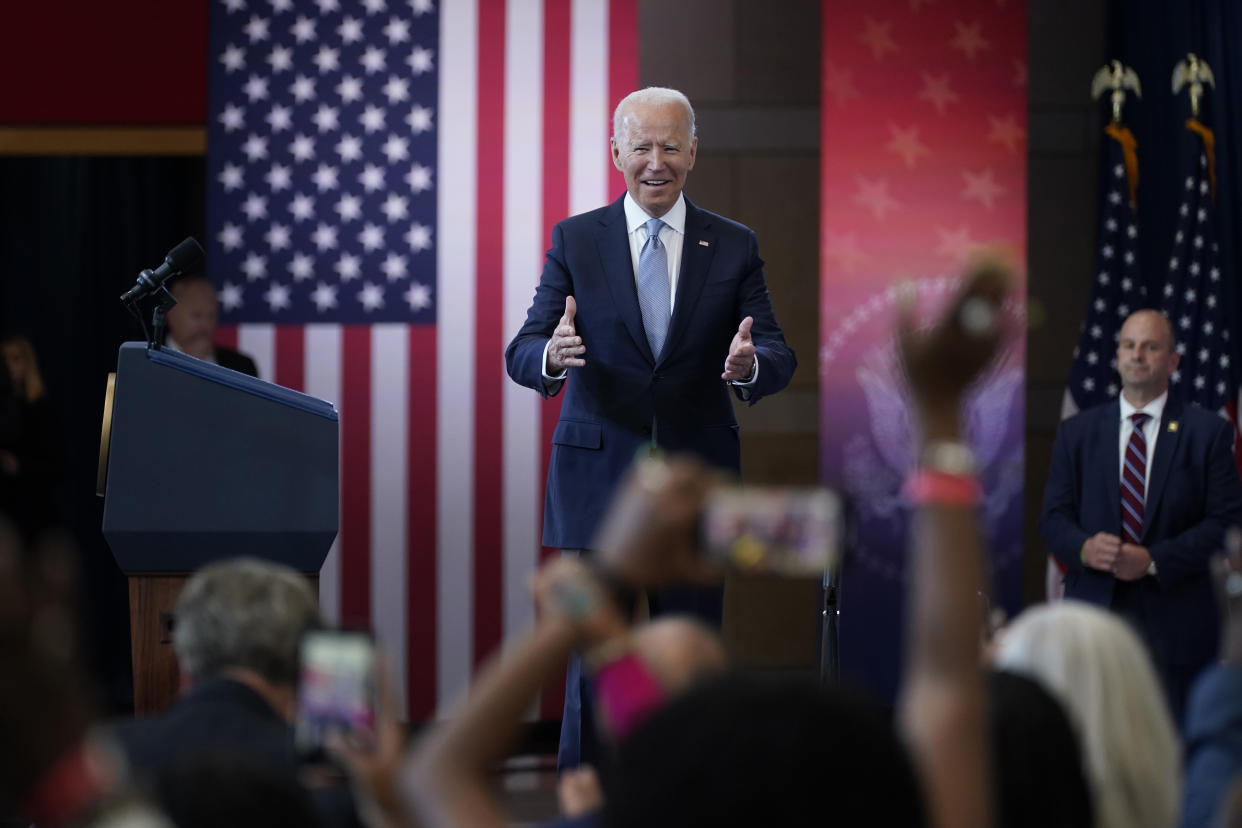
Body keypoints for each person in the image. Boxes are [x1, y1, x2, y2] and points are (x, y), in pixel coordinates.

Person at [504, 85, 795, 767]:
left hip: (697, 485)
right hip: (598, 482)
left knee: (690, 655)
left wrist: (751, 364)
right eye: (642, 146)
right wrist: (552, 353)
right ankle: (589, 793)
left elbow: (778, 353)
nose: (656, 160)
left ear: (694, 151)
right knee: (596, 653)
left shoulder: (733, 244)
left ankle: (686, 792)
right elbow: (523, 349)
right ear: (616, 153)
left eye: (671, 145)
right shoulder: (577, 239)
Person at [1040, 308, 1242, 717]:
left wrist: (1152, 560)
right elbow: (1053, 519)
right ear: (1116, 355)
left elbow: (1225, 523)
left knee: (1172, 757)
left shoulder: (1207, 432)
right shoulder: (1077, 433)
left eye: (1150, 346)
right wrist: (1083, 549)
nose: (1137, 355)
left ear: (1172, 361)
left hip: (1178, 630)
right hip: (1094, 621)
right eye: (1129, 345)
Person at [0, 335, 63, 540]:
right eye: (5, 360)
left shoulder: (41, 410)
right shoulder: (6, 408)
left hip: (37, 515)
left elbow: (58, 466)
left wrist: (20, 466)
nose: (9, 367)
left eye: (15, 359)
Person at [164, 275, 258, 377]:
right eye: (197, 315)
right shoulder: (148, 359)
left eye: (211, 316)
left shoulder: (242, 367)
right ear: (171, 314)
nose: (205, 324)